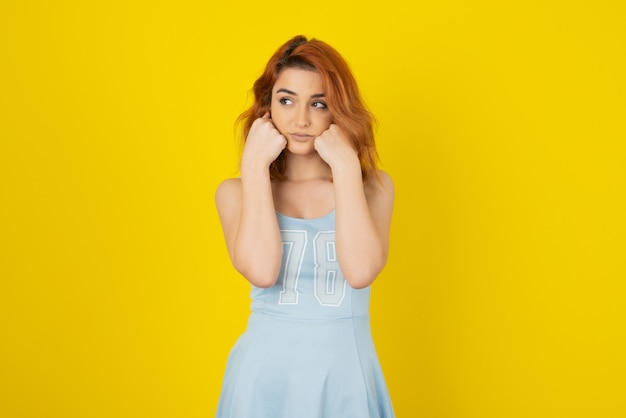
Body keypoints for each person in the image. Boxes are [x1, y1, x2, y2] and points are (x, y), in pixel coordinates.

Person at [215, 35, 395, 418]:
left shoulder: (374, 188)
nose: (301, 119)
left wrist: (346, 167)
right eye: (286, 100)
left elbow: (361, 271)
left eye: (319, 103)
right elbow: (262, 272)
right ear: (267, 108)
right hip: (264, 381)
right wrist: (254, 166)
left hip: (345, 379)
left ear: (338, 111)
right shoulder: (234, 193)